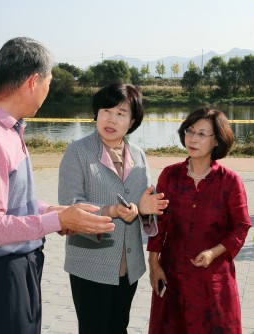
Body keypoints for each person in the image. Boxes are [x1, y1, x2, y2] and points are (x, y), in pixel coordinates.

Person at [0, 37, 115, 334]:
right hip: (1, 275)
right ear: (33, 81)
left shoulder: (8, 129)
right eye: (49, 82)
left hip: (19, 267)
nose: (47, 90)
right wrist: (57, 220)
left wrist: (57, 212)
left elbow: (12, 203)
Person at [58, 83, 169, 334]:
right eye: (105, 110)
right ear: (96, 113)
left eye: (121, 113)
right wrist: (112, 210)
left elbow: (145, 211)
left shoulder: (138, 155)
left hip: (129, 265)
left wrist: (146, 210)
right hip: (90, 264)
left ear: (132, 122)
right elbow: (69, 210)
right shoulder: (78, 152)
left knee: (119, 327)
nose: (111, 119)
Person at [147, 108, 252, 334]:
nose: (193, 139)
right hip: (173, 275)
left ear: (217, 141)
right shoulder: (170, 175)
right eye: (190, 131)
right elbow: (159, 224)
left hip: (212, 280)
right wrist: (154, 265)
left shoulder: (230, 182)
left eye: (202, 134)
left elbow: (241, 226)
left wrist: (214, 252)